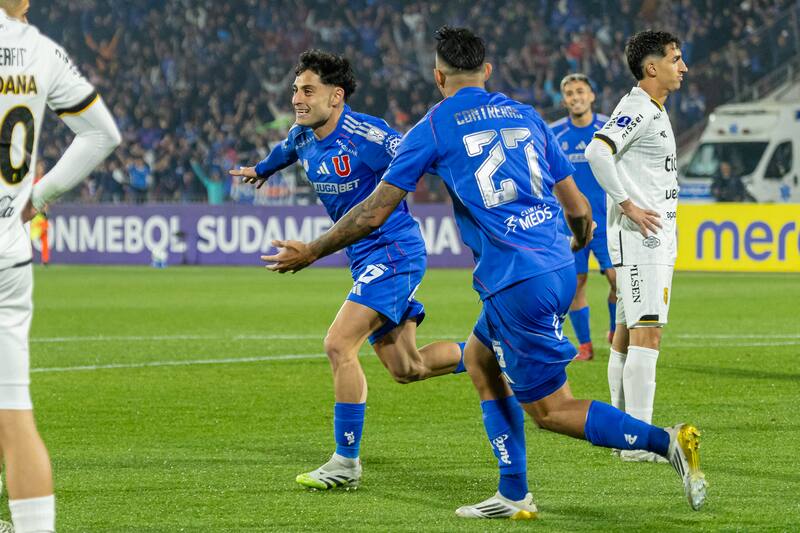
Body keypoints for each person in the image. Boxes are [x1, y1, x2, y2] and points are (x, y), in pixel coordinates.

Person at [262, 26, 707, 517]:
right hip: (553, 263)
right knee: (479, 360)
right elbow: (580, 210)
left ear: (438, 76)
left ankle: (664, 442)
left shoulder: (433, 126)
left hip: (515, 279)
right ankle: (513, 494)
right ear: (487, 71)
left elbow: (373, 212)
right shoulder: (526, 115)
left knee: (552, 411)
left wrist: (311, 251)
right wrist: (573, 246)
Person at [229, 50, 466, 491]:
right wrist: (261, 171)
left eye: (307, 90)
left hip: (394, 251)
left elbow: (422, 157)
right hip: (363, 257)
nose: (297, 99)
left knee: (339, 344)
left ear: (335, 96)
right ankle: (490, 352)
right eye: (295, 90)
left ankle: (345, 462)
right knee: (407, 368)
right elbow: (285, 149)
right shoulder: (303, 136)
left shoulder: (370, 135)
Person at [0, 1, 121, 532]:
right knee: (14, 414)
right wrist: (39, 195)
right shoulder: (41, 51)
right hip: (8, 254)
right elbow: (103, 135)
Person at [585, 30, 688, 463]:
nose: (683, 67)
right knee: (649, 334)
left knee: (626, 336)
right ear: (652, 67)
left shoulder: (654, 109)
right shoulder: (637, 107)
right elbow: (597, 152)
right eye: (676, 59)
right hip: (643, 240)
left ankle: (623, 434)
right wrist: (628, 205)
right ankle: (639, 444)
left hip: (649, 240)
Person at [549, 73, 616, 361]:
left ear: (591, 96)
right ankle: (585, 345)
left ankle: (615, 332)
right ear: (564, 101)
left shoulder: (608, 128)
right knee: (576, 283)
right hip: (570, 225)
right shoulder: (554, 134)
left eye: (580, 92)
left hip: (607, 221)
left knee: (618, 281)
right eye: (570, 93)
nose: (576, 97)